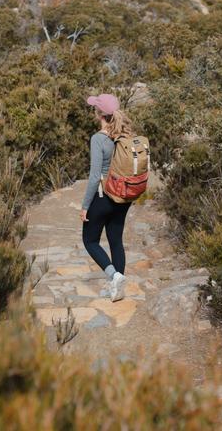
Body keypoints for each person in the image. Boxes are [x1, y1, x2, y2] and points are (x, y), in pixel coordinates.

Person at [80, 92, 133, 302]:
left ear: (99, 114)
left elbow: (94, 177)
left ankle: (114, 276)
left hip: (104, 196)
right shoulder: (125, 136)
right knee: (115, 240)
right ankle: (117, 289)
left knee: (90, 240)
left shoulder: (98, 139)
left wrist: (85, 206)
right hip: (123, 197)